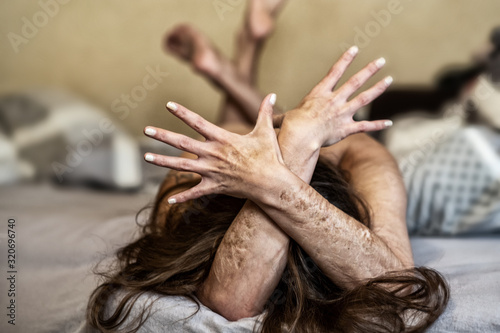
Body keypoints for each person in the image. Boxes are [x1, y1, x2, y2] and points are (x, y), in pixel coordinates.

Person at [87, 1, 449, 332]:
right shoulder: (191, 181)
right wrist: (297, 145)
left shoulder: (362, 157)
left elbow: (399, 288)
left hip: (339, 153)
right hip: (296, 153)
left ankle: (235, 66)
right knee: (238, 135)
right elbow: (229, 300)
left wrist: (283, 165)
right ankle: (239, 61)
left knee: (245, 131)